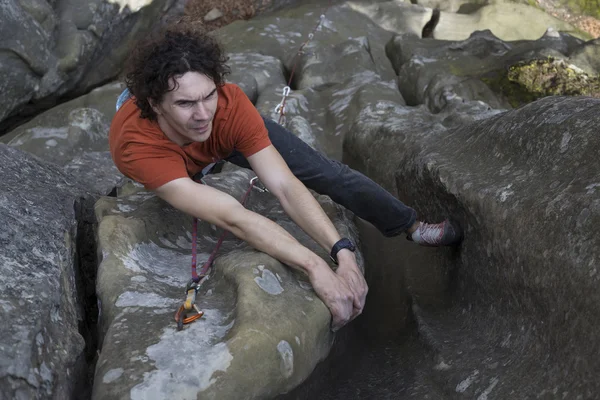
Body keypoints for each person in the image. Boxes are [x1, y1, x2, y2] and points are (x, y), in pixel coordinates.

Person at [109, 22, 462, 332]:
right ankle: (197, 163)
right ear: (156, 104)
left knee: (325, 172)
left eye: (208, 96)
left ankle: (410, 226)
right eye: (186, 103)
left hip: (223, 139)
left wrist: (343, 253)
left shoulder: (229, 108)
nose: (203, 113)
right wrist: (315, 267)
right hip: (168, 150)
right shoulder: (137, 146)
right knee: (193, 179)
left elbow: (285, 185)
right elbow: (236, 217)